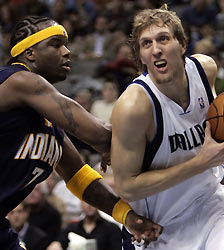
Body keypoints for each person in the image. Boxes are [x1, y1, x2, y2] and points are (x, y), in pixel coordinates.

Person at [0, 15, 163, 250]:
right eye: (55, 44)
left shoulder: (47, 122)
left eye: (66, 44)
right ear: (30, 53)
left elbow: (79, 177)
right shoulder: (19, 81)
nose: (67, 51)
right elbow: (97, 134)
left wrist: (126, 216)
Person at [110, 4, 224, 250]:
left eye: (163, 39)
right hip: (160, 228)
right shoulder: (134, 106)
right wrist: (200, 163)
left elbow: (220, 128)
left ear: (182, 44)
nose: (156, 50)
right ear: (140, 57)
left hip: (212, 208)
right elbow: (125, 187)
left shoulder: (205, 70)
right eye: (146, 44)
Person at [57, 201, 122, 250]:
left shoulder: (112, 228)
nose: (89, 205)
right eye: (86, 202)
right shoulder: (72, 228)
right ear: (81, 205)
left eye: (92, 201)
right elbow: (58, 244)